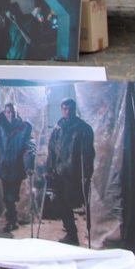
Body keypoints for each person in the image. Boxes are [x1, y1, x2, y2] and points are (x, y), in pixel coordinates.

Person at [46, 97, 95, 245]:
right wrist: (49, 168)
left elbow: (88, 153)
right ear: (62, 110)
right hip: (59, 172)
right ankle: (71, 233)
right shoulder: (58, 128)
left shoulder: (83, 128)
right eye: (64, 109)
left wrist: (87, 173)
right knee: (61, 203)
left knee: (71, 202)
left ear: (74, 109)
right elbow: (52, 149)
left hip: (74, 173)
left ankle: (76, 234)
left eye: (70, 109)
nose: (67, 111)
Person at [0, 102, 35, 232]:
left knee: (12, 195)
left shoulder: (24, 127)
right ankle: (12, 219)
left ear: (17, 113)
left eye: (13, 112)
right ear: (4, 113)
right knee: (7, 195)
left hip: (17, 167)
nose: (10, 114)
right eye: (8, 112)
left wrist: (29, 165)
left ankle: (11, 219)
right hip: (4, 166)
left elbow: (28, 148)